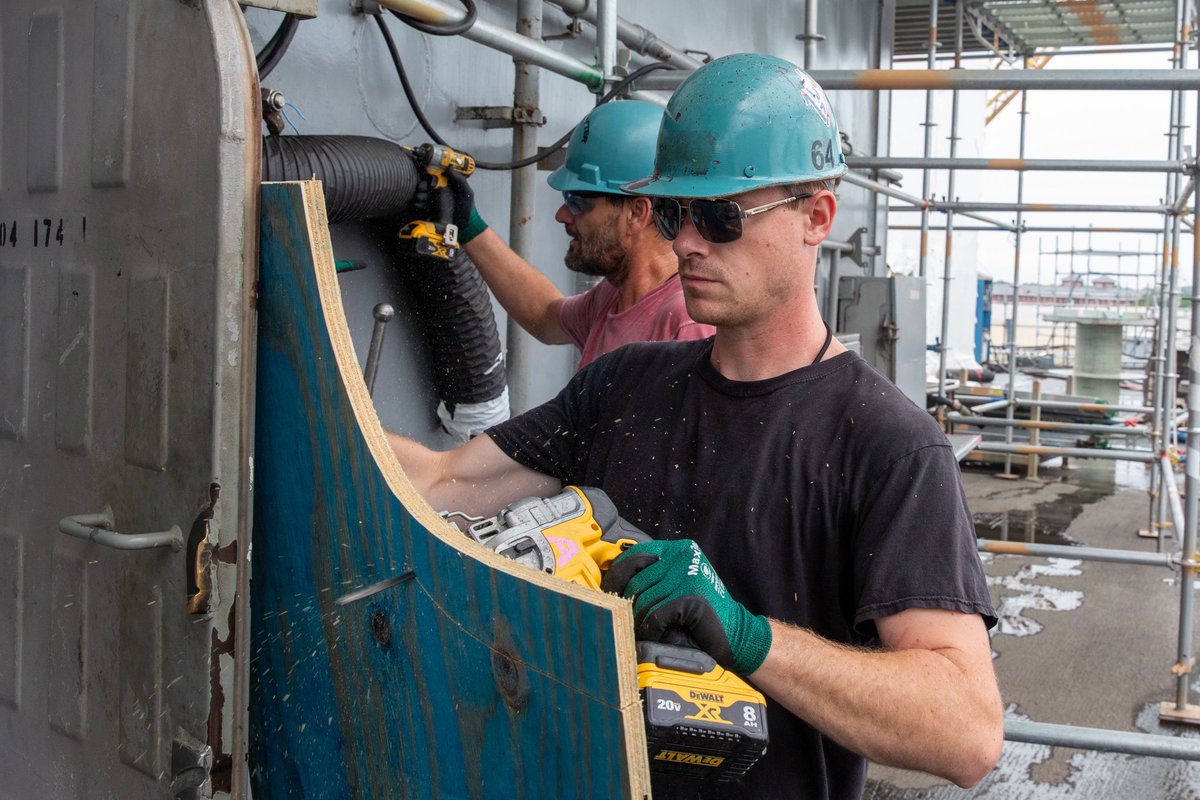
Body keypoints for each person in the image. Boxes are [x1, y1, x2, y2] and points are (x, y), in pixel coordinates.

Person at [389, 53, 1002, 800]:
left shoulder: (887, 446)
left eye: (721, 217)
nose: (685, 243)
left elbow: (966, 731)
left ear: (817, 217)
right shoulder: (623, 385)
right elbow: (443, 481)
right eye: (679, 214)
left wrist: (748, 636)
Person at [442, 99, 714, 368]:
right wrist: (470, 225)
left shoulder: (687, 326)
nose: (562, 215)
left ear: (636, 214)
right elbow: (545, 316)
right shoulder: (613, 297)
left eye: (577, 201)